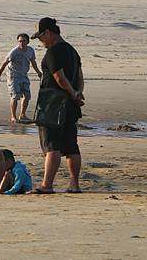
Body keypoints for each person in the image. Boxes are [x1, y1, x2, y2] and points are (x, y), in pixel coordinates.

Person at [31, 17, 85, 194]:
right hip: (71, 105)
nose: (40, 42)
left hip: (53, 106)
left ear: (48, 33)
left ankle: (47, 185)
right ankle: (74, 184)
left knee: (52, 145)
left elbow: (59, 77)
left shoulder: (53, 52)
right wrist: (77, 94)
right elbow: (80, 77)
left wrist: (71, 92)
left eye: (40, 37)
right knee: (71, 146)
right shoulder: (72, 51)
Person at [0, 33, 42, 123]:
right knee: (15, 96)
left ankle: (22, 115)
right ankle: (13, 116)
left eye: (24, 41)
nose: (21, 43)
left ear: (28, 42)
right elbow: (4, 63)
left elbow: (33, 62)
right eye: (20, 41)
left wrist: (38, 72)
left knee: (27, 96)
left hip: (24, 75)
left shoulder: (30, 50)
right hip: (13, 76)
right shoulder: (14, 52)